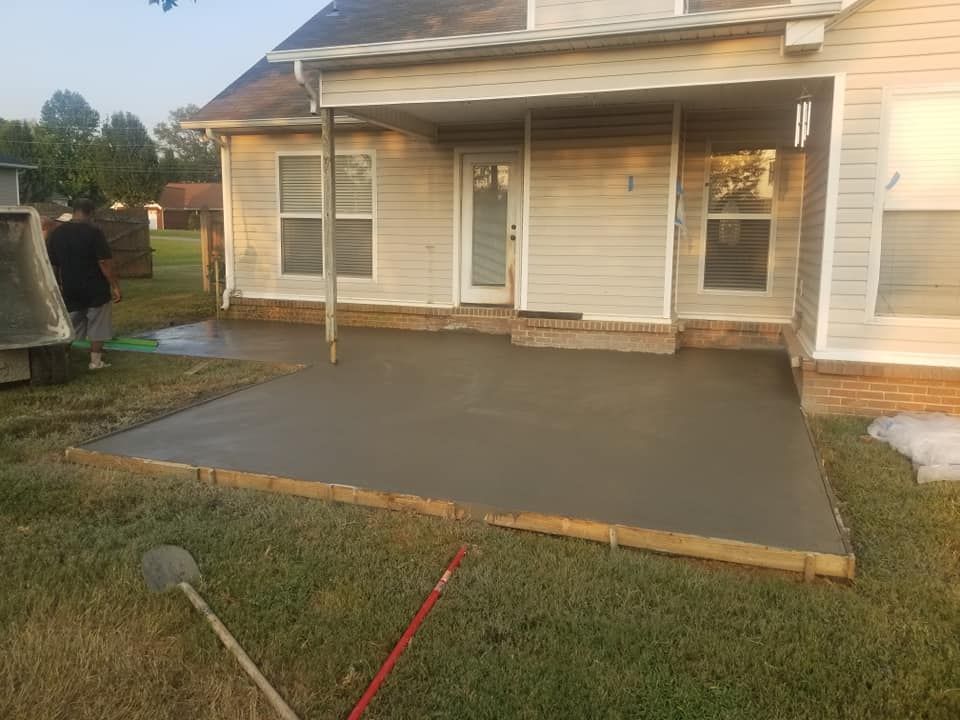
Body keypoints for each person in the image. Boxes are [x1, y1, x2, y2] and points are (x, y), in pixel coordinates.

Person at [47, 199, 122, 370]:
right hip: (95, 287)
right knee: (98, 324)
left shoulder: (57, 233)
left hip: (70, 287)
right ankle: (95, 362)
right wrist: (115, 286)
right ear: (91, 213)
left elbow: (53, 264)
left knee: (72, 324)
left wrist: (57, 285)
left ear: (74, 212)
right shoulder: (94, 232)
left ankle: (65, 357)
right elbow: (104, 262)